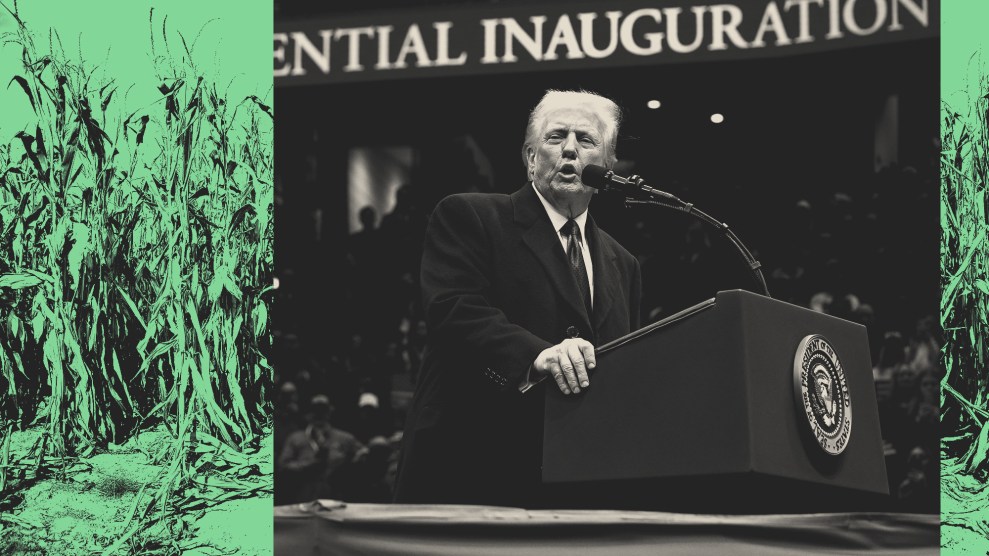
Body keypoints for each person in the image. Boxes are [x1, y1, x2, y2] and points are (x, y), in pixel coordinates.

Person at [394, 90, 641, 507]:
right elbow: (454, 310)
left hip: (579, 485)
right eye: (555, 136)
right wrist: (536, 356)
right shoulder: (470, 216)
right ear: (530, 158)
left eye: (585, 140)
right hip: (472, 474)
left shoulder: (625, 262)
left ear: (609, 167)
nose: (569, 149)